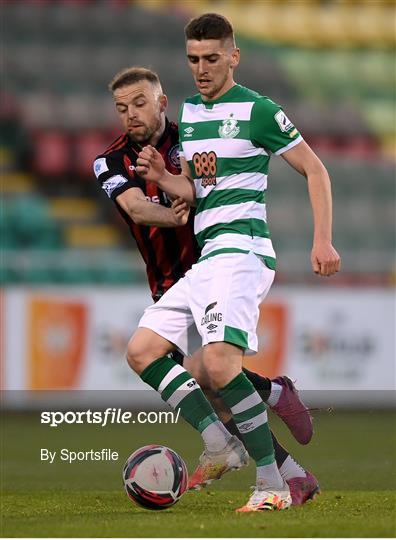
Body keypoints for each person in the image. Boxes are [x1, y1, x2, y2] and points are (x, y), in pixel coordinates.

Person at [93, 58, 325, 510]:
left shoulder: (199, 133)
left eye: (139, 103)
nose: (131, 114)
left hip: (219, 265)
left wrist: (184, 197)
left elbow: (217, 188)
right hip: (170, 281)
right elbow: (138, 209)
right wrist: (171, 213)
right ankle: (287, 453)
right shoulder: (109, 160)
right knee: (210, 390)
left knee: (215, 379)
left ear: (161, 102)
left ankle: (272, 470)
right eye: (122, 108)